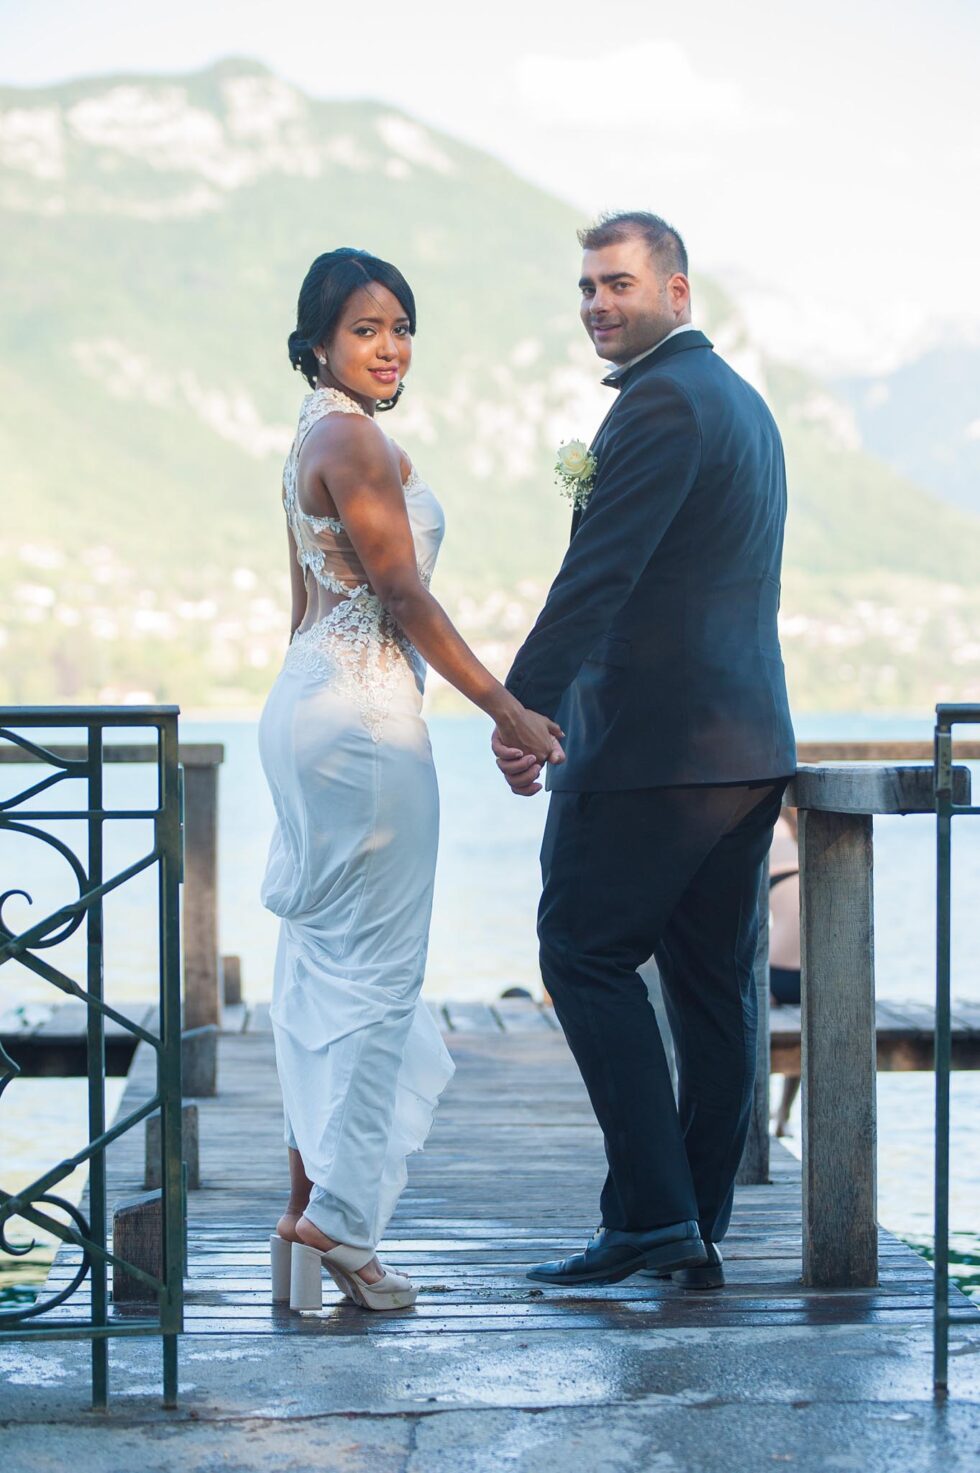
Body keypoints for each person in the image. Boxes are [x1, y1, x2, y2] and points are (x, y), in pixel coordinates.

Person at [493, 212, 796, 1292]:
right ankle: (687, 1227)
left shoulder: (663, 402)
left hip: (653, 752)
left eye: (616, 283)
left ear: (677, 292)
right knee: (714, 995)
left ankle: (652, 1218)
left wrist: (516, 706)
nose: (596, 304)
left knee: (579, 951)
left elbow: (600, 575)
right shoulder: (740, 405)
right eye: (584, 287)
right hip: (744, 744)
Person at [260, 248, 563, 1313]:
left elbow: (306, 606)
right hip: (365, 729)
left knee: (319, 984)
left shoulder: (312, 436)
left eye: (400, 327)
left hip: (308, 709)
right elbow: (404, 600)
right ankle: (339, 1223)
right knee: (378, 984)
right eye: (364, 329)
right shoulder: (352, 437)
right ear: (317, 345)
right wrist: (510, 710)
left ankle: (308, 1229)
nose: (388, 347)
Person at [768, 808, 802, 1136]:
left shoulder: (770, 828)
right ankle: (783, 1114)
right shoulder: (808, 834)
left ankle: (756, 1117)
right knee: (804, 1045)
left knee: (751, 1038)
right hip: (813, 975)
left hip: (775, 973)